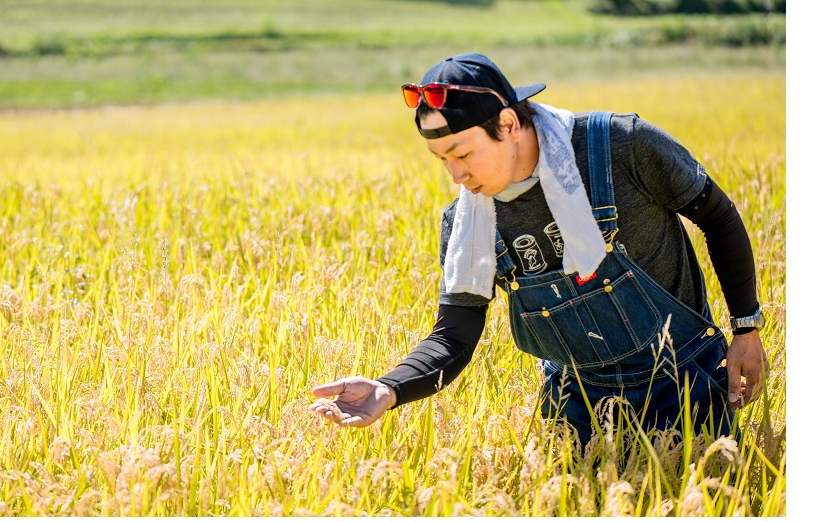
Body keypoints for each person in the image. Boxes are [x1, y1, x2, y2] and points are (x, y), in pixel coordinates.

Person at [309, 53, 770, 446]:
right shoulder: (467, 222)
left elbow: (718, 217)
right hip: (576, 407)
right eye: (442, 160)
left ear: (508, 123)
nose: (456, 176)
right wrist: (389, 389)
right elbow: (454, 337)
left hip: (685, 388)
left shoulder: (621, 147)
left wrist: (746, 327)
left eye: (463, 154)